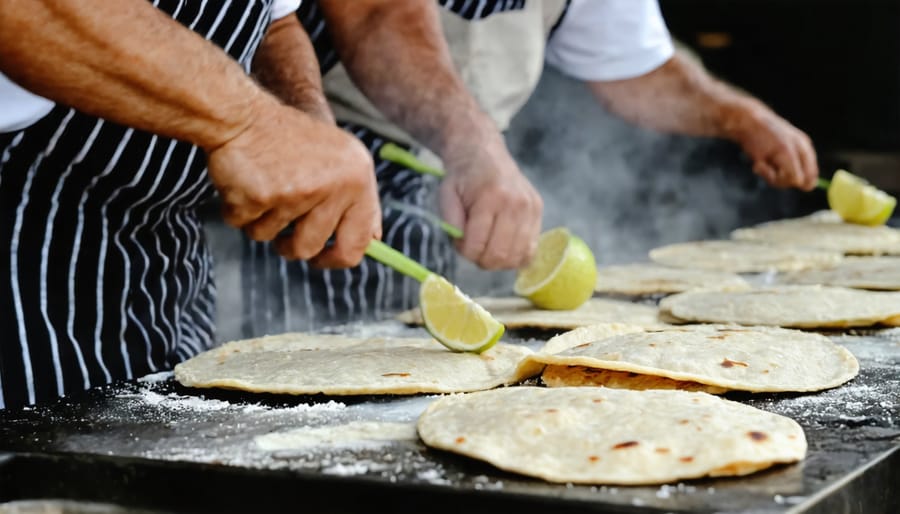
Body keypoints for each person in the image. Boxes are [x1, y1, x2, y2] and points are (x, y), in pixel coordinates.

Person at [239, 0, 819, 337]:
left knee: (442, 382)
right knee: (321, 397)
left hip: (481, 170)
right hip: (335, 162)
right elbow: (377, 14)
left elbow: (632, 64)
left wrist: (738, 116)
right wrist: (473, 146)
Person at [0, 0, 380, 409]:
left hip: (165, 273)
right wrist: (254, 123)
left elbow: (275, 26)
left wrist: (305, 124)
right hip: (24, 247)